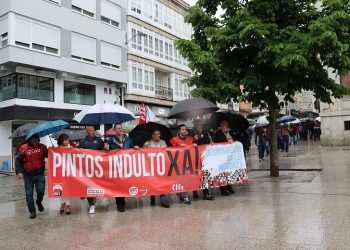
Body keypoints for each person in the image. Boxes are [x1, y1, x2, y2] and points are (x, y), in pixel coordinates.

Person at [15, 134, 48, 219]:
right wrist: (18, 171)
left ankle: (38, 202)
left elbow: (49, 156)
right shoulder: (23, 148)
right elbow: (18, 159)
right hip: (28, 175)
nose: (35, 140)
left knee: (41, 191)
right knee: (29, 194)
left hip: (39, 174)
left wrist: (52, 150)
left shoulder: (43, 147)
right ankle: (32, 211)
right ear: (29, 139)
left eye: (36, 139)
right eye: (33, 139)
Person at [108, 123, 138, 212]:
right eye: (118, 128)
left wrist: (135, 147)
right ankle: (120, 203)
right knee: (118, 185)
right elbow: (107, 153)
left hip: (127, 166)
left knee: (126, 183)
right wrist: (106, 148)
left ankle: (125, 198)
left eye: (121, 128)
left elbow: (131, 148)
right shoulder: (110, 140)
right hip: (116, 167)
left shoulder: (128, 139)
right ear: (114, 130)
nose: (120, 129)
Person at [78, 126, 107, 214]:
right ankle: (91, 205)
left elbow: (105, 151)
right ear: (87, 132)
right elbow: (77, 153)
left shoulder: (99, 140)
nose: (93, 131)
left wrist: (106, 147)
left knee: (97, 185)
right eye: (91, 130)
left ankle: (94, 198)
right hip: (87, 169)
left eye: (94, 130)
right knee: (89, 186)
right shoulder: (82, 142)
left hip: (98, 169)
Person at [144, 129, 171, 208]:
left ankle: (163, 200)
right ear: (152, 135)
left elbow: (167, 152)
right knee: (152, 183)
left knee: (161, 183)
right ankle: (152, 199)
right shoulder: (147, 143)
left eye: (159, 134)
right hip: (151, 167)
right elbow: (142, 154)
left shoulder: (162, 142)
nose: (158, 135)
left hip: (161, 167)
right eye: (156, 134)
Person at [170, 124, 194, 205]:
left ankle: (182, 194)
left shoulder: (191, 139)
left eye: (185, 129)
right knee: (182, 179)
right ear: (179, 131)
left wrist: (194, 145)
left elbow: (194, 149)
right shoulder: (174, 140)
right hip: (178, 163)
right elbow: (171, 151)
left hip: (188, 162)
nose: (184, 130)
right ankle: (185, 197)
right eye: (182, 129)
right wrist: (179, 147)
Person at [212, 120, 236, 196]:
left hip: (229, 156)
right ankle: (223, 189)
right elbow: (217, 144)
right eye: (223, 125)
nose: (225, 126)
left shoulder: (230, 133)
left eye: (226, 125)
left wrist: (228, 135)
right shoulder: (218, 134)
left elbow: (233, 141)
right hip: (222, 157)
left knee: (229, 172)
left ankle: (229, 186)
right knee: (223, 173)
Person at [193, 120, 214, 200]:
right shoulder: (192, 133)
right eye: (198, 124)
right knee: (195, 175)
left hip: (204, 157)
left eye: (200, 124)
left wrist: (198, 142)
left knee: (204, 174)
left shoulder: (205, 133)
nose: (199, 126)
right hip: (194, 157)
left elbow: (207, 142)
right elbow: (192, 143)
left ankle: (206, 193)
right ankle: (194, 191)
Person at [57, 133, 72, 215]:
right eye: (65, 140)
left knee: (68, 188)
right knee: (60, 188)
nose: (67, 141)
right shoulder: (57, 149)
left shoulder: (71, 148)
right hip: (60, 172)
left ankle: (68, 205)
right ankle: (62, 204)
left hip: (69, 172)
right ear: (61, 141)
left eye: (67, 139)